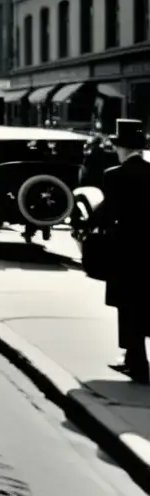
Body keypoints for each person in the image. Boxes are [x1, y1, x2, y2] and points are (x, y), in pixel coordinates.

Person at [97, 119, 150, 382]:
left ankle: (136, 362)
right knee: (145, 303)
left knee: (127, 305)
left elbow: (108, 212)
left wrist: (88, 226)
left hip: (126, 250)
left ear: (122, 149)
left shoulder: (114, 175)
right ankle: (133, 359)